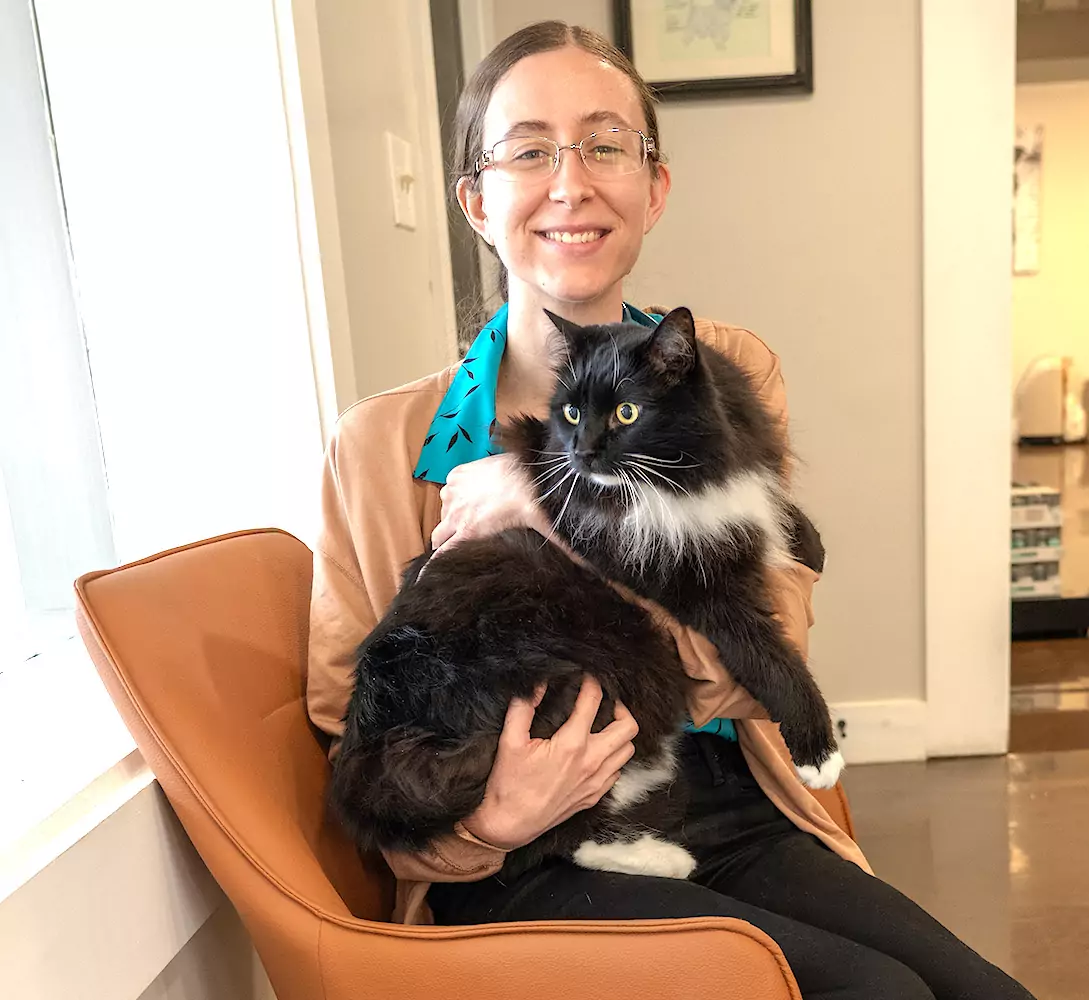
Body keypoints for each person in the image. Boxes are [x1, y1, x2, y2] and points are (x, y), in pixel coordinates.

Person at [306, 19, 1035, 1000]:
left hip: (721, 798)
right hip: (526, 851)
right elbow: (344, 717)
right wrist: (488, 821)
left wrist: (551, 498)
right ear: (476, 200)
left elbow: (767, 641)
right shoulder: (378, 445)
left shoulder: (729, 376)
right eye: (530, 152)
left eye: (606, 144)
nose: (572, 183)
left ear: (655, 185)